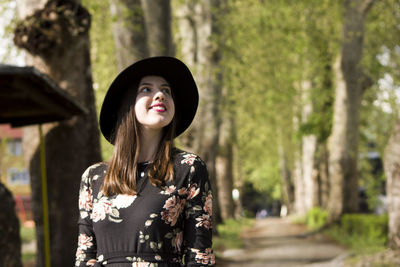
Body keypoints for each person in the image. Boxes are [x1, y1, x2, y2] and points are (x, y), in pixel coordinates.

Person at [75, 57, 215, 267]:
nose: (160, 95)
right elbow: (85, 256)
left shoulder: (188, 168)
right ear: (128, 104)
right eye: (146, 89)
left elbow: (200, 257)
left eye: (166, 90)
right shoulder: (93, 177)